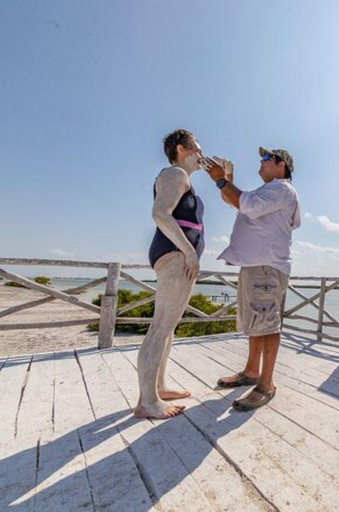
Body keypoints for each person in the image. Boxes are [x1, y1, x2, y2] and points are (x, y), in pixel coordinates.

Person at [202, 147, 300, 411]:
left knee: (267, 324)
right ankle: (251, 372)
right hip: (257, 265)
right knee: (257, 323)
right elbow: (236, 201)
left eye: (266, 158)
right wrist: (227, 182)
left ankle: (266, 385)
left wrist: (220, 180)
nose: (260, 161)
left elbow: (243, 203)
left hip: (267, 266)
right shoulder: (269, 191)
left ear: (281, 164)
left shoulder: (281, 188)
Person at [134, 129, 204, 419]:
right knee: (160, 327)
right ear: (181, 149)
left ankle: (159, 387)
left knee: (168, 327)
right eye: (197, 149)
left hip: (179, 255)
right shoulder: (175, 174)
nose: (202, 155)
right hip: (176, 256)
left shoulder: (183, 178)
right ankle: (147, 402)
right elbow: (160, 213)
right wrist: (188, 252)